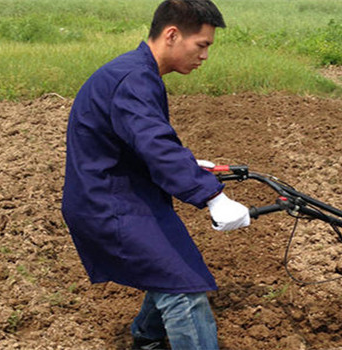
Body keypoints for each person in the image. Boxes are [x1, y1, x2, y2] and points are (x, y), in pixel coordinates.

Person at [61, 1, 250, 349]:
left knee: (172, 263)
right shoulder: (134, 79)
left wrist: (192, 166)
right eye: (202, 45)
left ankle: (147, 337)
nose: (205, 56)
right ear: (172, 35)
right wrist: (213, 196)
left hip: (122, 193)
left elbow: (137, 140)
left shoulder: (138, 72)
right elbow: (155, 144)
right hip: (110, 203)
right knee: (182, 283)